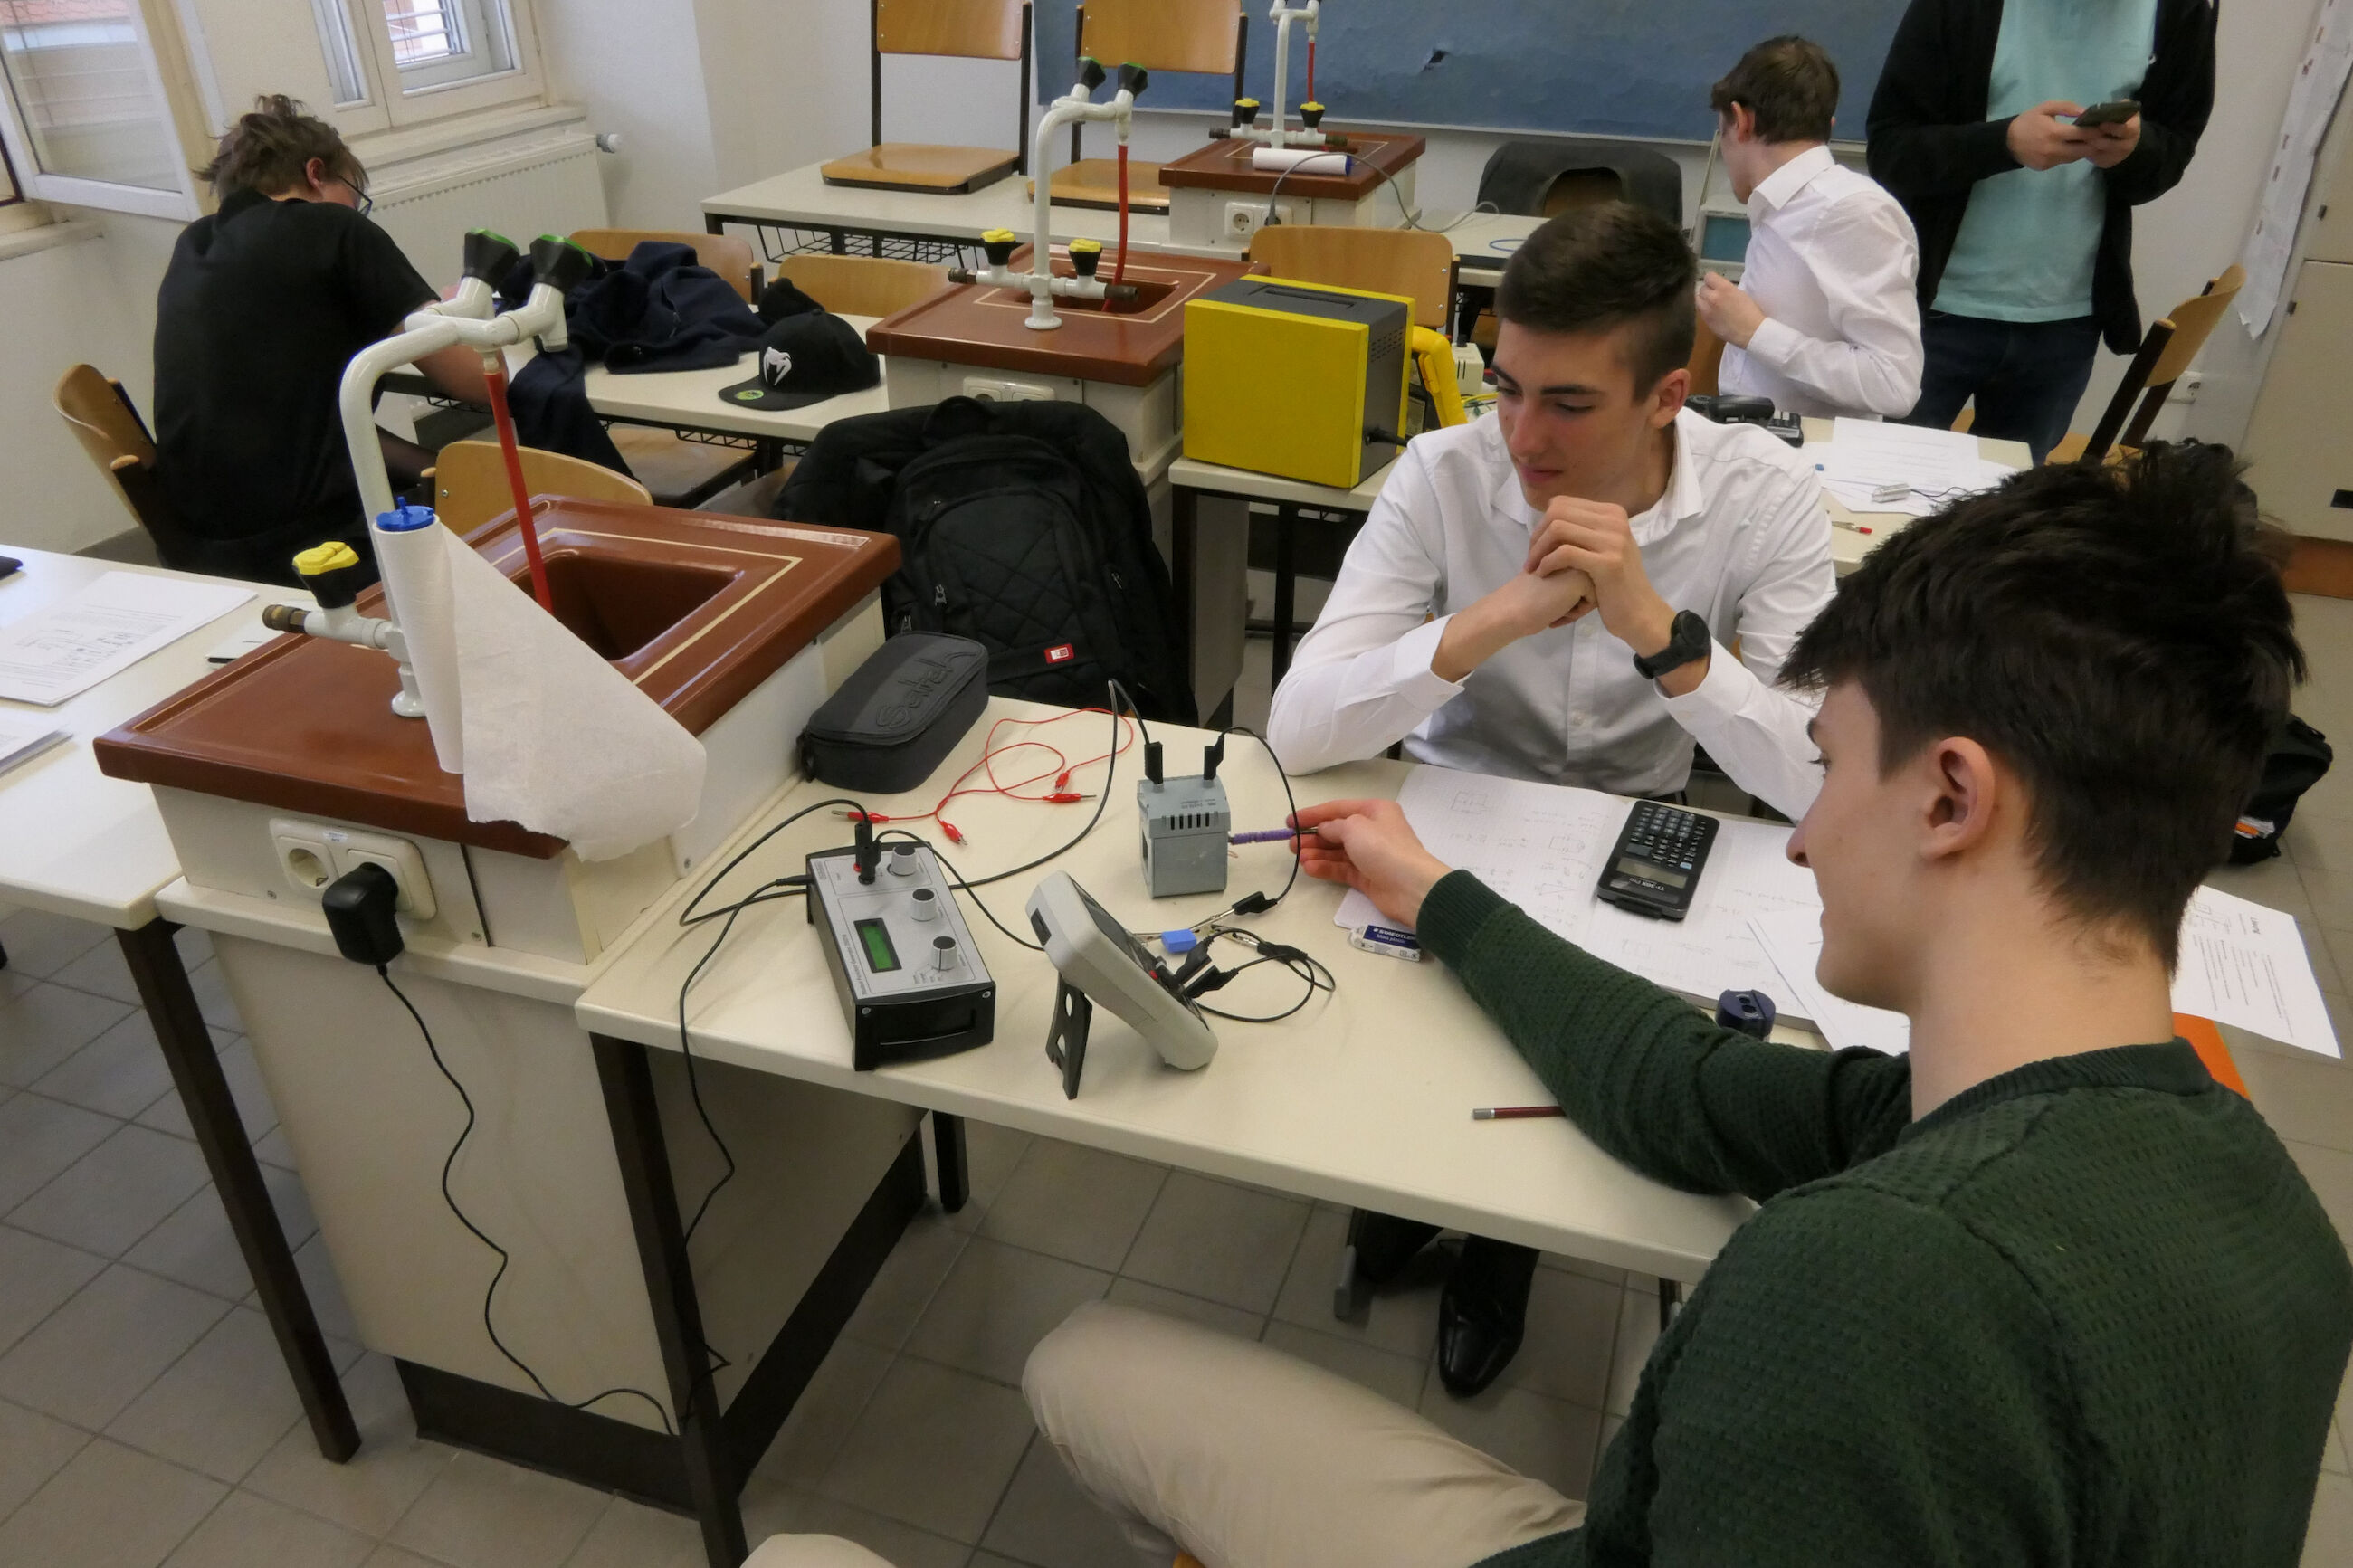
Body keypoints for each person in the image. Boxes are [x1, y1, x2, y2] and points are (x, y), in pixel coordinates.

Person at [1025, 442, 2353, 1567]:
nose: (1801, 838)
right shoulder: (2256, 1202)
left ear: (1951, 796)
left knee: (1078, 1365)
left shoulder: (1874, 1281)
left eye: (1828, 768)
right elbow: (1679, 1082)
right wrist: (1433, 894)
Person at [1264, 199, 1834, 1395]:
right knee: (1406, 1049)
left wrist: (1663, 638)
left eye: (1567, 403)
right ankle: (1418, 1193)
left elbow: (1817, 781)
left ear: (1667, 396)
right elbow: (1297, 725)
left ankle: (1501, 1250)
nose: (1521, 434)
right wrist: (1490, 622)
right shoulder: (1444, 471)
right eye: (1505, 385)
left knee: (1572, 1060)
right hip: (1455, 805)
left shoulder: (1765, 494)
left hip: (1637, 823)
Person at [154, 95, 488, 586]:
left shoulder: (194, 244)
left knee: (444, 471)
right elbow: (476, 384)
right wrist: (472, 323)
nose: (357, 210)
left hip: (202, 545)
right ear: (315, 173)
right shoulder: (336, 229)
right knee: (498, 498)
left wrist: (436, 465)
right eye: (354, 194)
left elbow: (301, 424)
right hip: (315, 545)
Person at [1868, 0, 2215, 463]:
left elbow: (2173, 149)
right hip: (1928, 314)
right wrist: (2003, 143)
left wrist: (2134, 150)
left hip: (2064, 327)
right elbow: (1892, 151)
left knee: (2012, 506)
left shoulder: (2180, 11)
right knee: (1881, 486)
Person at [1694, 35, 1922, 420]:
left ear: (1742, 121)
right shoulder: (1776, 204)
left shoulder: (1851, 211)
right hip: (1757, 435)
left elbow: (1893, 383)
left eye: (1723, 132)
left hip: (1812, 449)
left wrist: (1756, 333)